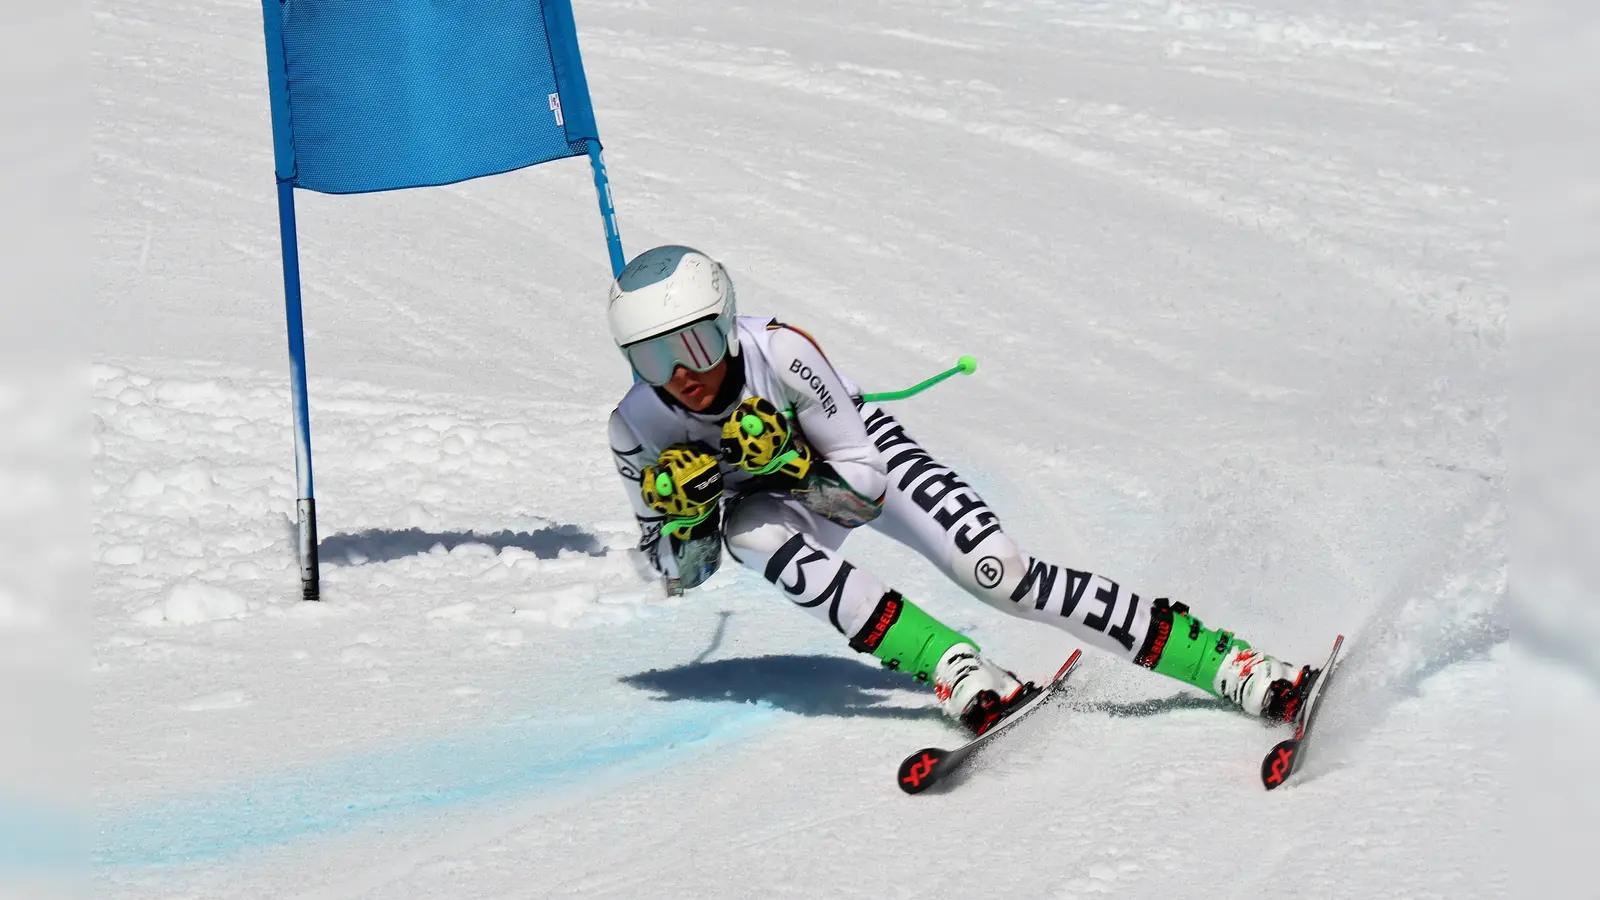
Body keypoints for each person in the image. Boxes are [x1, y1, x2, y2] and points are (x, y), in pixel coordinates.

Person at [606, 245, 1317, 735]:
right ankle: (953, 667)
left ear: (727, 324)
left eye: (692, 344)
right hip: (781, 504)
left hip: (858, 460)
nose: (680, 373)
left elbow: (864, 484)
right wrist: (690, 524)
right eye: (650, 357)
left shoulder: (781, 352)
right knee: (746, 531)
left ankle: (1229, 662)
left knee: (998, 573)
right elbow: (675, 577)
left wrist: (790, 461)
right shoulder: (636, 427)